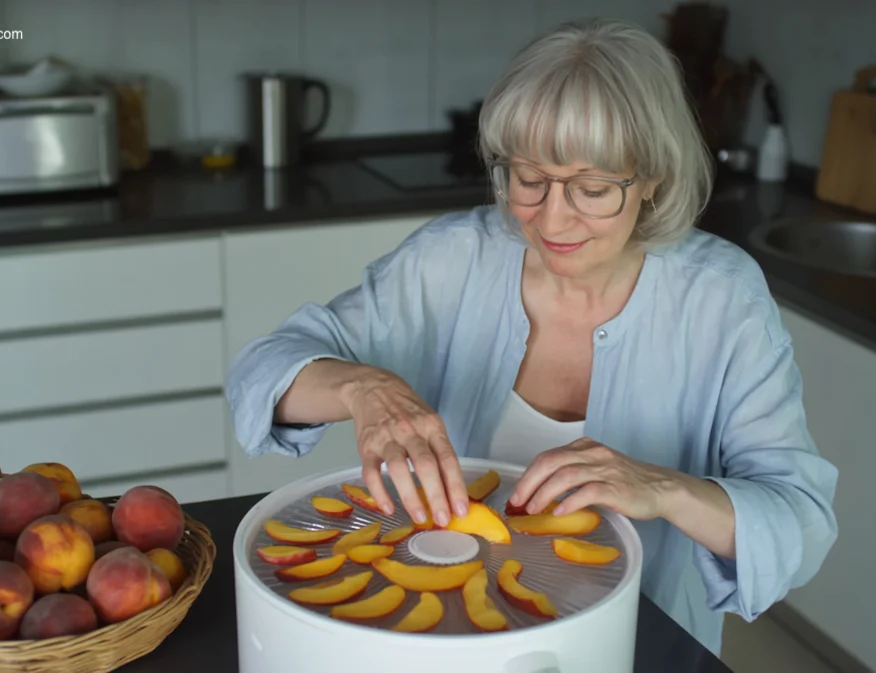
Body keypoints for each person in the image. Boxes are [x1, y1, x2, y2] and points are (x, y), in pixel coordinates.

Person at [224, 18, 838, 654]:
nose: (552, 217)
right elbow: (260, 372)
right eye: (529, 179)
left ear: (653, 179)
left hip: (644, 643)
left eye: (593, 188)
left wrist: (666, 490)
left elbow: (800, 524)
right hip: (452, 638)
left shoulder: (721, 299)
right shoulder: (451, 260)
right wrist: (362, 389)